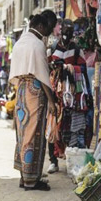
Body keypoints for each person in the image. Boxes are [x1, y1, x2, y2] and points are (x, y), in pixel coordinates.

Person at [8, 11, 57, 191]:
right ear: (41, 27)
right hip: (35, 92)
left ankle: (24, 176)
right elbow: (42, 74)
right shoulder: (36, 45)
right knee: (33, 135)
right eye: (49, 29)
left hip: (21, 89)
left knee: (23, 135)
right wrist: (51, 101)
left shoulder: (21, 41)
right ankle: (31, 180)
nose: (49, 33)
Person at [48, 19, 92, 174]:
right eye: (66, 30)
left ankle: (72, 160)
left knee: (72, 127)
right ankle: (53, 160)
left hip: (73, 94)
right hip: (56, 93)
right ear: (60, 30)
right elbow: (47, 68)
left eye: (70, 30)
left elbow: (83, 68)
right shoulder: (53, 47)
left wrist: (67, 68)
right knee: (54, 126)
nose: (68, 33)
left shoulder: (76, 48)